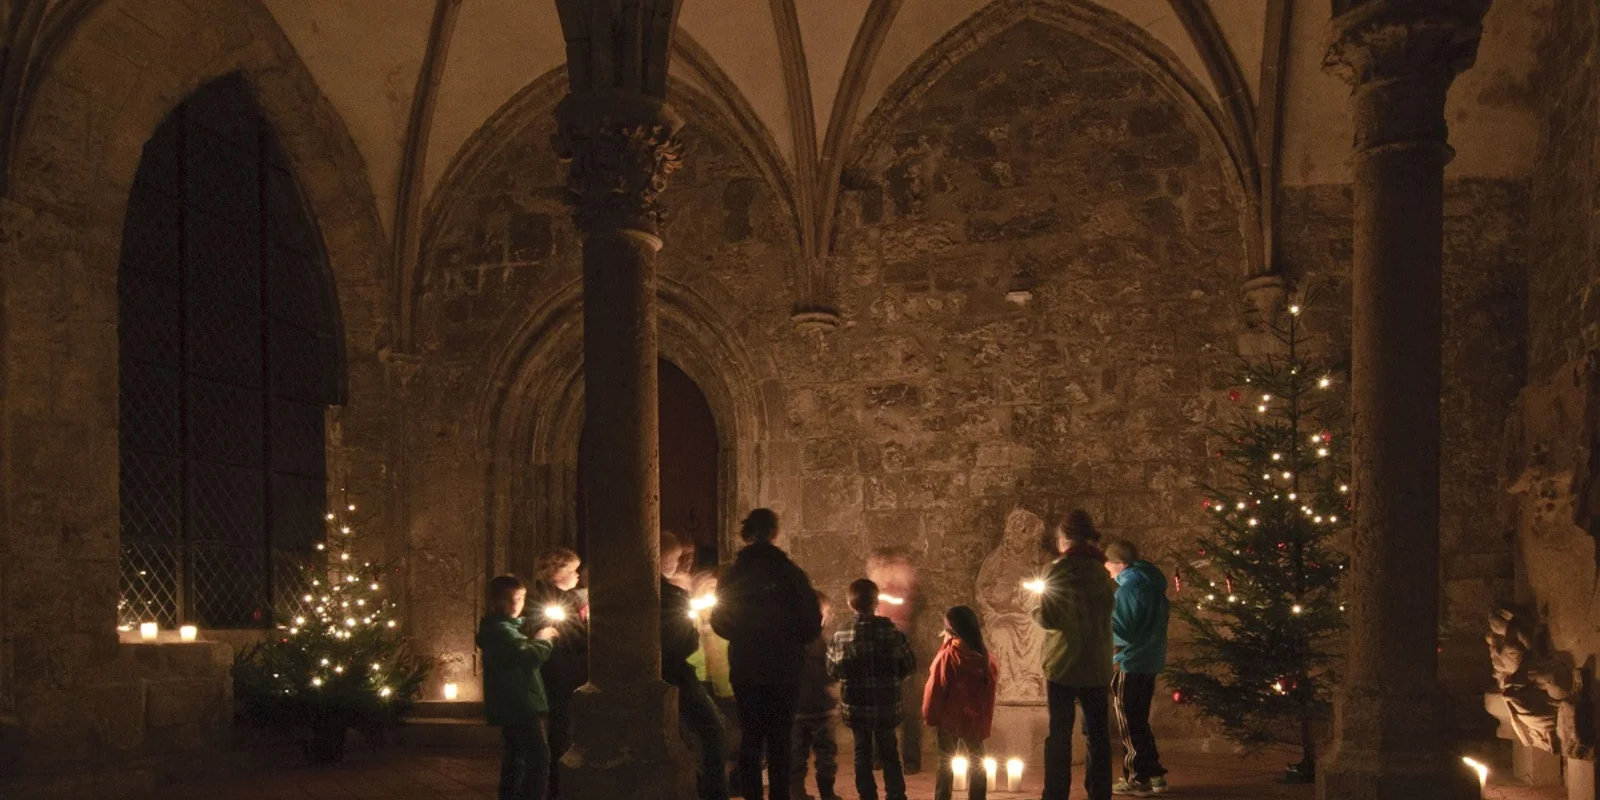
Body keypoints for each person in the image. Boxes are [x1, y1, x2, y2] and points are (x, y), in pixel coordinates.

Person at [711, 509, 824, 800]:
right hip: (784, 668)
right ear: (775, 533)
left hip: (747, 665)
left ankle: (751, 795)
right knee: (780, 740)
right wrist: (790, 642)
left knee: (750, 736)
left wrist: (744, 636)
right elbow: (811, 621)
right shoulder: (790, 574)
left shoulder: (735, 574)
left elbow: (719, 619)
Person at [1033, 510, 1116, 800]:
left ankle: (1055, 794)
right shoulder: (1102, 572)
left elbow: (1049, 617)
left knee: (1059, 735)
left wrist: (1035, 607)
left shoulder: (1058, 571)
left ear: (1065, 538)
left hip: (1063, 664)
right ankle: (1099, 792)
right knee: (1097, 735)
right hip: (1096, 664)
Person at [827, 579, 916, 800]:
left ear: (850, 603)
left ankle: (867, 796)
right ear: (876, 602)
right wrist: (892, 679)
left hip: (856, 706)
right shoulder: (892, 633)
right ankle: (896, 795)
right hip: (887, 704)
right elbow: (909, 665)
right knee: (890, 752)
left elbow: (832, 670)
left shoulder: (841, 636)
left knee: (862, 753)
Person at [661, 530, 731, 800]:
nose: (679, 563)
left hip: (664, 672)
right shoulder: (670, 595)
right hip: (678, 673)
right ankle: (713, 792)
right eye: (677, 557)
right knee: (713, 728)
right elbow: (687, 644)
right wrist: (693, 628)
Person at [478, 574, 560, 800]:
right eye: (511, 599)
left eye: (520, 599)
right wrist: (543, 639)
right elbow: (527, 657)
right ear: (495, 601)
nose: (517, 605)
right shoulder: (500, 632)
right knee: (539, 758)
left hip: (514, 703)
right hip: (520, 704)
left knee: (516, 756)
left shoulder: (504, 629)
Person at [1104, 540, 1171, 797]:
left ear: (1120, 564)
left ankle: (1136, 779)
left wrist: (1102, 625)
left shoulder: (1128, 590)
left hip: (1131, 662)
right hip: (1150, 660)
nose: (1106, 568)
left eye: (1108, 562)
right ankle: (1155, 775)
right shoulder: (1152, 585)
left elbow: (1124, 631)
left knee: (1129, 724)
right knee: (1140, 721)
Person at [923, 606, 999, 800]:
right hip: (974, 719)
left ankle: (942, 797)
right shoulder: (986, 659)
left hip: (950, 719)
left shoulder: (949, 657)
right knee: (977, 759)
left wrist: (930, 715)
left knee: (945, 762)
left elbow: (936, 688)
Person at [529, 547, 586, 800]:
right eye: (572, 570)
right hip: (556, 673)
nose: (577, 576)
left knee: (568, 729)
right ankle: (555, 787)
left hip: (571, 671)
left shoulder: (573, 598)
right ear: (555, 572)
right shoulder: (541, 600)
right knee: (559, 731)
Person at [790, 590, 841, 800]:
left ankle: (796, 792)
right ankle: (826, 793)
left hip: (795, 708)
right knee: (825, 753)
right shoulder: (823, 643)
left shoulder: (788, 644)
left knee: (796, 753)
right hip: (820, 709)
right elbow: (831, 673)